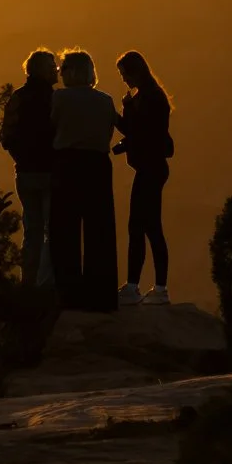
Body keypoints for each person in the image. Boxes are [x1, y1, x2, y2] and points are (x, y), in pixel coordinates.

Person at [49, 49, 120, 312]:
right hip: (99, 166)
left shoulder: (60, 98)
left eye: (63, 69)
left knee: (64, 230)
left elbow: (52, 127)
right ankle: (101, 295)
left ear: (73, 71)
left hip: (67, 164)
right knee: (100, 230)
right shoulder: (106, 100)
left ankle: (69, 295)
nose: (60, 74)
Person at [114, 50, 173, 306]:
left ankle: (144, 288)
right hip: (153, 168)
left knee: (144, 227)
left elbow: (137, 131)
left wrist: (120, 113)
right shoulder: (151, 96)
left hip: (150, 169)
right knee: (145, 227)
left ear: (134, 71)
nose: (124, 80)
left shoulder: (148, 99)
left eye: (124, 74)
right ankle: (148, 287)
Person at [0, 50, 59, 288]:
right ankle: (48, 285)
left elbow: (7, 137)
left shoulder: (18, 98)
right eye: (53, 66)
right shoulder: (55, 100)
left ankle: (29, 283)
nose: (57, 70)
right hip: (50, 173)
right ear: (43, 70)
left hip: (25, 173)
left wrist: (22, 158)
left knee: (31, 230)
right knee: (52, 231)